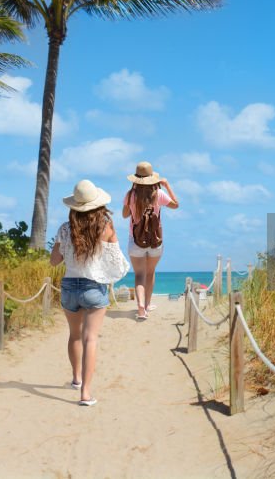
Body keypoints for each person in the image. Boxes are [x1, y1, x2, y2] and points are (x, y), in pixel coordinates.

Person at [50, 179, 119, 406]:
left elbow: (54, 261)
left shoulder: (64, 228)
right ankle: (86, 394)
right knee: (91, 339)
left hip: (69, 286)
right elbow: (116, 263)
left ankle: (76, 379)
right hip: (93, 287)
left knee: (75, 336)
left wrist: (62, 247)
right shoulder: (106, 227)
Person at [122, 161, 179, 320]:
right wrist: (166, 185)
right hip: (155, 241)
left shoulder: (130, 195)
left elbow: (125, 215)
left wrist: (133, 206)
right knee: (150, 272)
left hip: (135, 241)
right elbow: (176, 205)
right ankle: (147, 304)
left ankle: (140, 306)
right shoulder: (158, 194)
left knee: (139, 274)